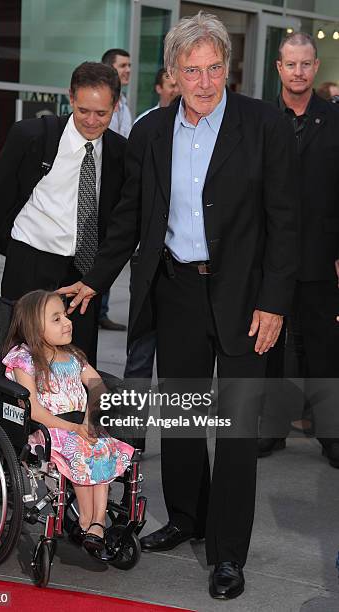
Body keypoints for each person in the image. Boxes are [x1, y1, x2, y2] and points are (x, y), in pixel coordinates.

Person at [58, 12, 298, 600]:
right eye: (192, 70)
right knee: (187, 419)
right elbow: (130, 217)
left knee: (237, 429)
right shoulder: (151, 132)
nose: (205, 80)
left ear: (228, 70)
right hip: (177, 289)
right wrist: (96, 277)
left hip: (244, 298)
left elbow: (287, 223)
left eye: (215, 68)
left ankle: (228, 554)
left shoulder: (263, 126)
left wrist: (273, 301)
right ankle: (188, 517)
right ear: (172, 74)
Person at [0, 62, 127, 366]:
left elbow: (119, 215)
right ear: (71, 98)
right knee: (21, 356)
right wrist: (11, 238)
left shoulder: (120, 152)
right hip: (31, 261)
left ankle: (69, 413)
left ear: (115, 105)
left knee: (77, 357)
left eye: (101, 113)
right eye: (83, 110)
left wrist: (98, 271)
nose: (91, 121)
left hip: (83, 270)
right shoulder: (32, 135)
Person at [258, 32, 339, 467]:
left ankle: (332, 436)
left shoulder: (335, 118)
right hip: (270, 257)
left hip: (321, 256)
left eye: (306, 64)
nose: (299, 72)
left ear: (315, 67)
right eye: (291, 64)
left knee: (326, 350)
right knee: (268, 349)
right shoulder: (258, 117)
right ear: (279, 67)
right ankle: (270, 431)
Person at [2, 290, 134, 552]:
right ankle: (86, 519)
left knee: (103, 446)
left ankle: (97, 522)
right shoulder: (24, 360)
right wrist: (75, 428)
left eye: (65, 315)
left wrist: (89, 418)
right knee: (83, 450)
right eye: (56, 318)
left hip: (79, 425)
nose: (67, 322)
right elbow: (35, 411)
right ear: (34, 328)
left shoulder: (73, 356)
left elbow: (98, 388)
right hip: (48, 429)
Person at [97, 48, 133, 331]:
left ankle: (101, 309)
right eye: (123, 65)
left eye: (130, 65)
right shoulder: (101, 100)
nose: (128, 70)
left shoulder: (125, 104)